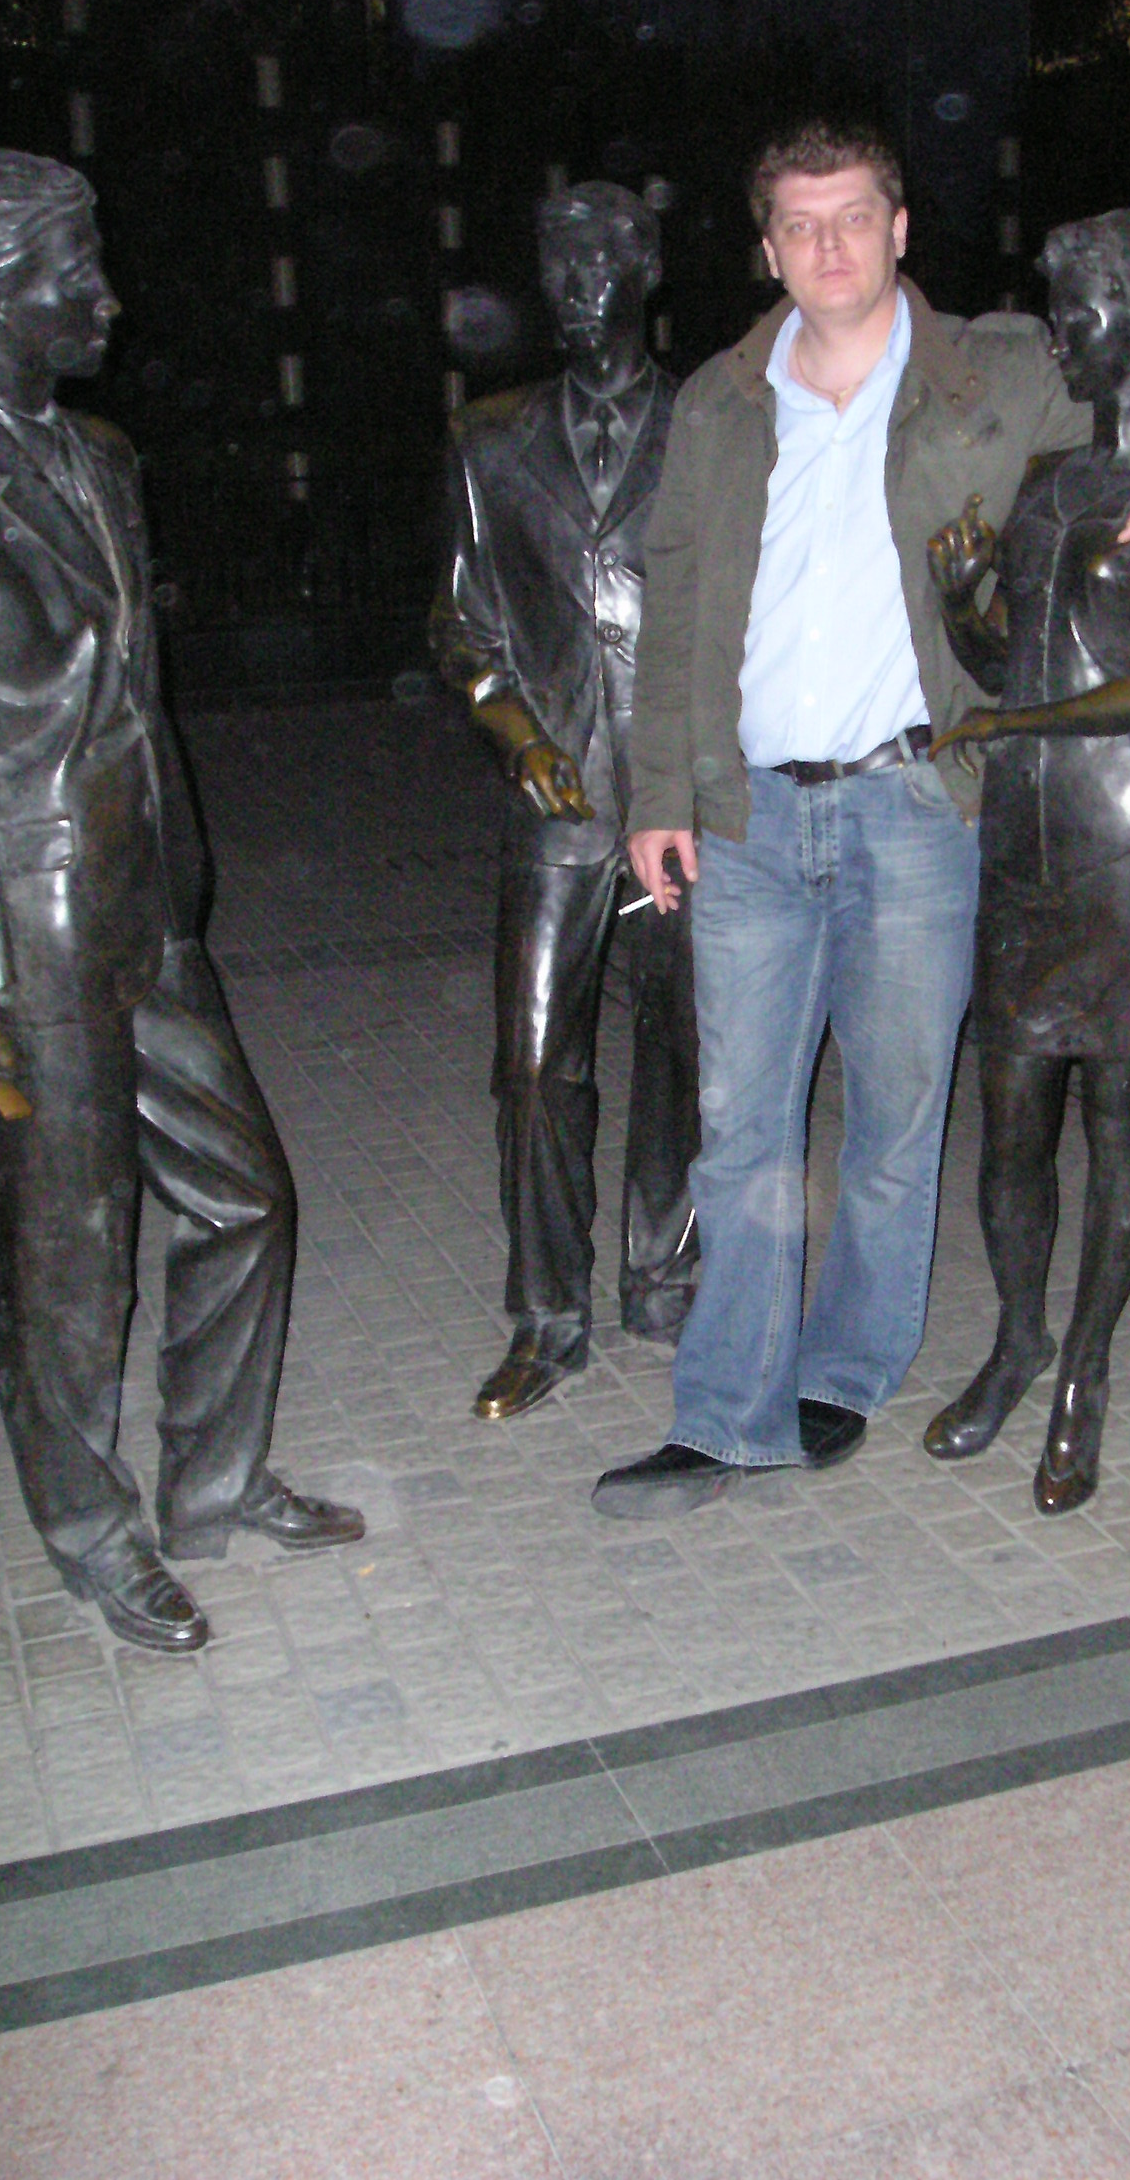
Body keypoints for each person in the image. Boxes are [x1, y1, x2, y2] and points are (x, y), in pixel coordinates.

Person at [591, 118, 1130, 1518]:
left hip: (919, 805)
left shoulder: (999, 367)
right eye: (798, 224)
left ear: (898, 229)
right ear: (767, 248)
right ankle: (725, 1416)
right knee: (741, 1128)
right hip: (749, 811)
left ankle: (845, 1372)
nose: (827, 245)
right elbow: (673, 608)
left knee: (897, 1117)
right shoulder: (716, 402)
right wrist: (656, 796)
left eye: (853, 217)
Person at [0, 152, 363, 1653]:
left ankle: (212, 1480)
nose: (108, 296)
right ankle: (91, 1531)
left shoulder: (100, 455)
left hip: (149, 907)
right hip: (31, 935)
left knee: (248, 1196)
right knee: (68, 1252)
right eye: (76, 270)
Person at [923, 208, 1130, 1513]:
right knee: (1007, 1123)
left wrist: (1006, 728)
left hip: (1128, 839)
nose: (1059, 333)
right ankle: (1018, 1339)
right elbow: (1019, 662)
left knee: (1117, 1114)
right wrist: (963, 609)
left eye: (1078, 310)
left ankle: (1084, 1372)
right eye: (1054, 309)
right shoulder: (1050, 476)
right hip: (1024, 835)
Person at [436, 182, 699, 1422]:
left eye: (598, 259)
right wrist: (515, 733)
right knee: (534, 1065)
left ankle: (668, 1277)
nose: (574, 282)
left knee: (682, 1049)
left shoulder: (715, 424)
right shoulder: (488, 436)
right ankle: (546, 1313)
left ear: (646, 270)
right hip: (557, 796)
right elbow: (462, 622)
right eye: (555, 261)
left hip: (684, 789)